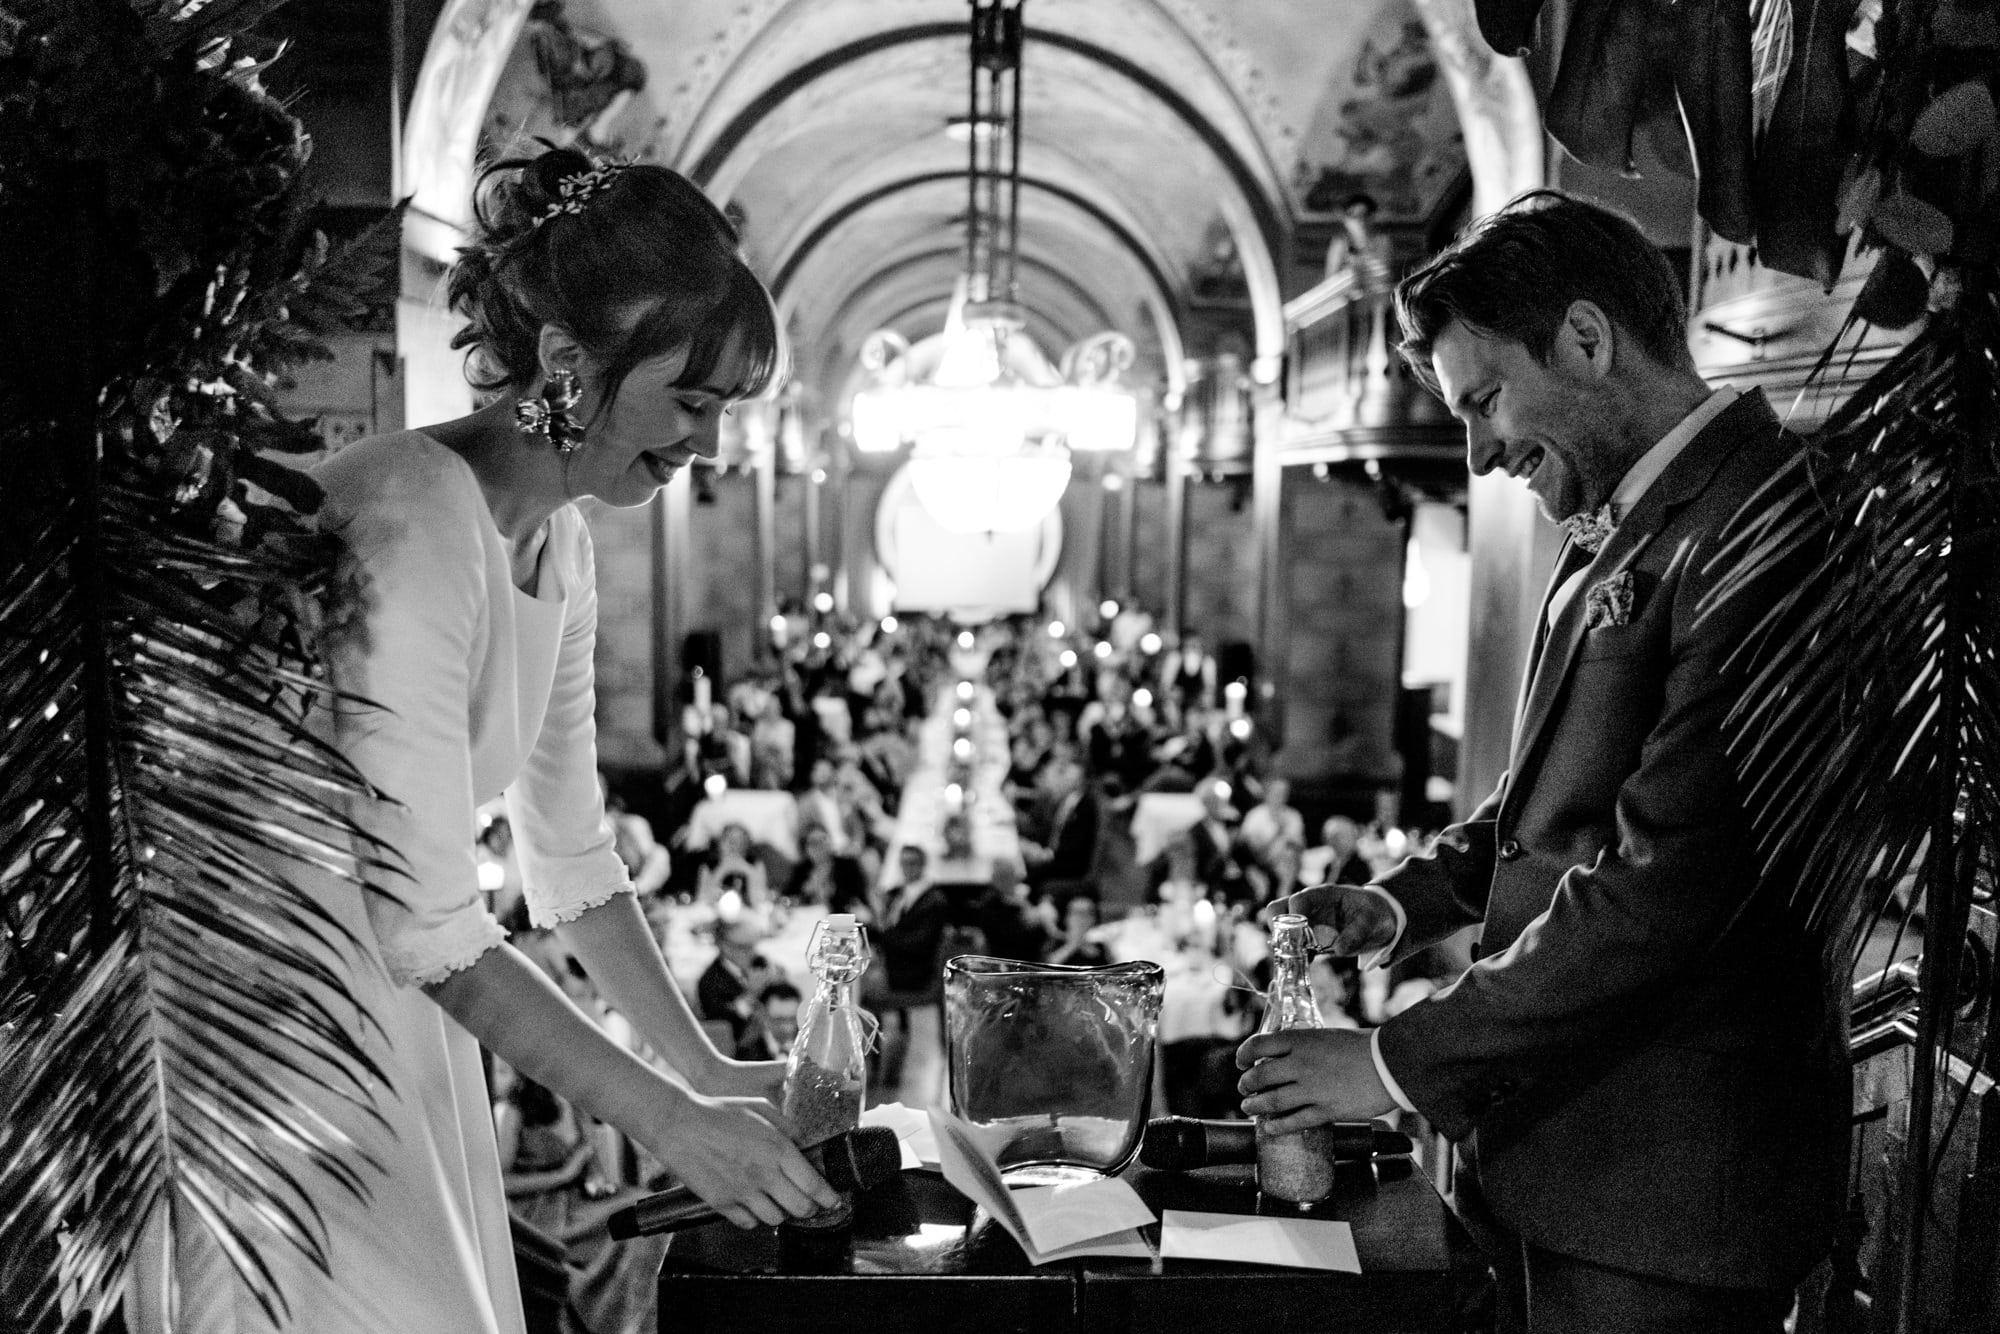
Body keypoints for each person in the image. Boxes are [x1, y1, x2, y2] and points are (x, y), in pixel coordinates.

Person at [128, 147, 841, 1334]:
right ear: (568, 363)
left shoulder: (558, 541)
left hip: (408, 1008)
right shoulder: (406, 517)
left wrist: (703, 1067)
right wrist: (664, 1122)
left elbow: (571, 865)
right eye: (693, 401)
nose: (709, 447)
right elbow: (434, 926)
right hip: (281, 1025)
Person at [1236, 191, 1846, 1333]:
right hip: (1546, 1160)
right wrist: (1396, 902)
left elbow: (1664, 884)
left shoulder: (1761, 521)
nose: (1473, 453)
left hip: (1660, 1197)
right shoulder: (1625, 526)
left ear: (1582, 337)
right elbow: (1547, 806)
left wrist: (1389, 1061)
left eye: (1483, 399)